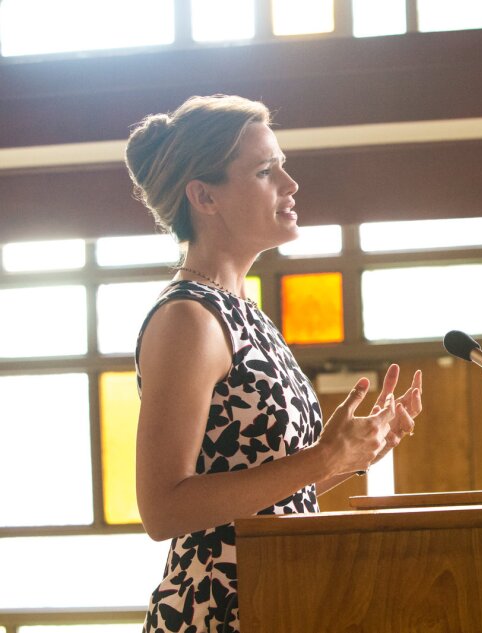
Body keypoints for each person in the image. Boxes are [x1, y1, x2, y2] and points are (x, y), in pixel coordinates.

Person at [125, 94, 423, 633]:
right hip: (216, 608)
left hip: (277, 598)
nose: (291, 184)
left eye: (282, 166)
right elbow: (163, 509)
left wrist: (353, 454)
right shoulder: (188, 318)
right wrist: (323, 457)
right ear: (204, 196)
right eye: (266, 171)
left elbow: (264, 494)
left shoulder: (246, 312)